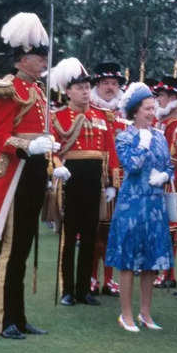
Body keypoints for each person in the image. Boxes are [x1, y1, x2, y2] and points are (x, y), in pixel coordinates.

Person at [0, 12, 69, 339]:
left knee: (24, 246)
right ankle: (5, 318)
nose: (43, 62)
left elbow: (41, 132)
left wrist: (50, 153)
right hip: (16, 174)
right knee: (12, 248)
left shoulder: (37, 91)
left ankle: (19, 317)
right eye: (39, 56)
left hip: (35, 173)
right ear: (23, 59)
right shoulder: (8, 88)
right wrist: (28, 147)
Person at [105, 82, 174, 332]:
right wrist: (142, 145)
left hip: (154, 204)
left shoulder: (160, 135)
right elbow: (131, 166)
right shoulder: (125, 136)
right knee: (127, 260)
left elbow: (169, 165)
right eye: (147, 109)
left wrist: (164, 176)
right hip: (132, 204)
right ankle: (126, 314)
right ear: (135, 111)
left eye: (153, 108)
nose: (151, 113)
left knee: (150, 261)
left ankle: (145, 313)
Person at [51, 58, 118, 306]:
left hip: (94, 182)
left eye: (87, 87)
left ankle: (83, 289)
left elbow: (110, 151)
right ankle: (67, 289)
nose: (85, 92)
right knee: (69, 237)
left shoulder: (102, 117)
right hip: (71, 180)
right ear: (68, 91)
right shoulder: (59, 117)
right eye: (79, 88)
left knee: (90, 236)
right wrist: (56, 168)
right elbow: (53, 150)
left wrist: (112, 182)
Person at [89, 61, 128, 297]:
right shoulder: (90, 110)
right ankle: (92, 276)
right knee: (93, 231)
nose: (110, 87)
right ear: (98, 85)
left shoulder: (125, 113)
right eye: (105, 83)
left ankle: (109, 279)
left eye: (114, 83)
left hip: (121, 180)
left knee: (114, 232)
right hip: (95, 177)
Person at [151, 77, 177, 289]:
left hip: (169, 179)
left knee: (170, 228)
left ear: (172, 99)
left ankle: (169, 272)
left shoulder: (174, 124)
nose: (158, 100)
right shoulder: (161, 123)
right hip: (157, 177)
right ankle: (162, 269)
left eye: (161, 96)